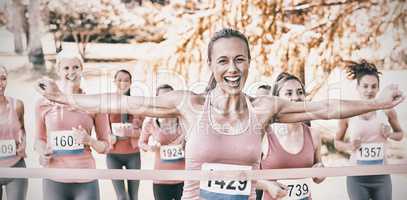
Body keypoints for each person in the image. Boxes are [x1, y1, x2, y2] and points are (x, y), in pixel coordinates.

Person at [35, 28, 404, 200]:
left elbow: (323, 107)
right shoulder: (190, 105)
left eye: (239, 59)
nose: (232, 68)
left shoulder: (264, 109)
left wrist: (379, 103)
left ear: (248, 65)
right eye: (223, 60)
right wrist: (68, 100)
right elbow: (125, 104)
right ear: (211, 65)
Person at [34, 51, 110, 200]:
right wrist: (43, 152)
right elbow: (38, 140)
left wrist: (90, 141)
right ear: (58, 71)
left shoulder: (94, 103)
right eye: (66, 68)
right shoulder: (42, 104)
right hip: (54, 178)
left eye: (75, 67)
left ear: (82, 69)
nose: (71, 72)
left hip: (86, 178)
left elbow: (106, 147)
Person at [335, 60, 405, 200]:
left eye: (374, 86)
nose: (369, 90)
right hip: (357, 177)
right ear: (358, 87)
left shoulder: (387, 111)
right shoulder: (348, 113)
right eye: (365, 86)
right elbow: (337, 142)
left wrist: (390, 134)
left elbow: (400, 134)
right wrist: (350, 146)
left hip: (382, 176)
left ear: (379, 88)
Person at [257, 72, 326, 200]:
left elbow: (318, 176)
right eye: (289, 93)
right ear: (277, 99)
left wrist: (321, 171)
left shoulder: (314, 134)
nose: (296, 97)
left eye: (300, 92)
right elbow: (247, 177)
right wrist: (267, 185)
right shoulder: (264, 134)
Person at [140, 84, 185, 200]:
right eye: (162, 97)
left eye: (170, 96)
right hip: (161, 178)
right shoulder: (150, 121)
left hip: (184, 177)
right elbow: (141, 143)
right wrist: (151, 147)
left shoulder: (184, 119)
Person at [107, 69, 144, 200]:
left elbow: (144, 131)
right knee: (122, 197)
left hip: (133, 155)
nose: (123, 83)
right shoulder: (108, 102)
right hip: (113, 155)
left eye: (126, 80)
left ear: (131, 82)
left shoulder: (137, 103)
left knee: (134, 197)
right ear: (114, 82)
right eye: (119, 80)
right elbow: (102, 129)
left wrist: (131, 133)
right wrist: (108, 137)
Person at [0, 66, 28, 200]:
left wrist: (23, 145)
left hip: (16, 167)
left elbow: (22, 130)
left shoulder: (17, 104)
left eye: (3, 79)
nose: (0, 83)